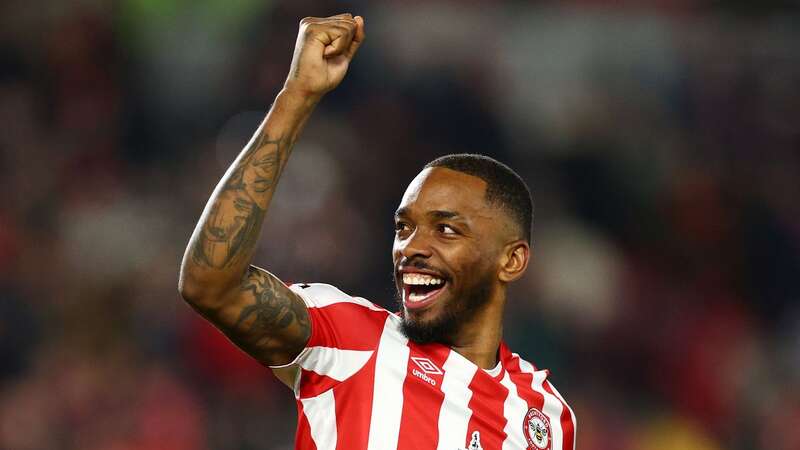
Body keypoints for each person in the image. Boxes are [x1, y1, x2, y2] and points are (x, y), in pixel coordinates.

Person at [179, 13, 576, 450]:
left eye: (445, 229)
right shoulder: (350, 339)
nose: (412, 247)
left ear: (511, 259)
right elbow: (210, 283)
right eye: (403, 228)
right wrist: (297, 96)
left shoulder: (546, 417)